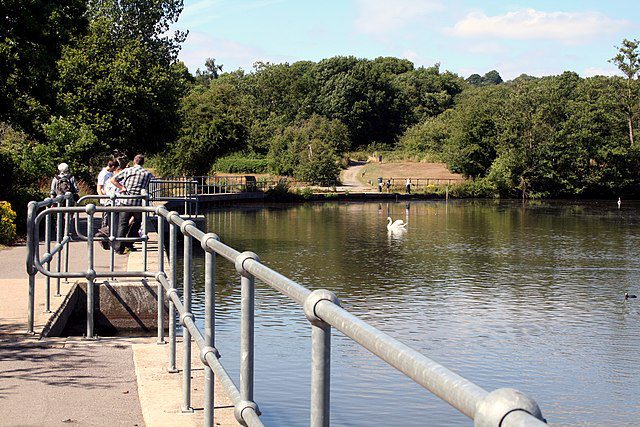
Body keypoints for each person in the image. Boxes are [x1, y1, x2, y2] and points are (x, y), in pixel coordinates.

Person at [110, 154, 153, 254]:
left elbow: (113, 180)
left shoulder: (128, 170)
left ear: (134, 161)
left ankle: (119, 248)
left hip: (125, 201)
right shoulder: (147, 174)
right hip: (138, 203)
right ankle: (129, 243)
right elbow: (150, 184)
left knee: (122, 224)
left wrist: (122, 188)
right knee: (137, 222)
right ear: (143, 162)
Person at [97, 158, 116, 228]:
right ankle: (104, 232)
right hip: (105, 199)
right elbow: (99, 188)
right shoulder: (103, 174)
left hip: (110, 199)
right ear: (113, 167)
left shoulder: (110, 173)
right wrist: (104, 199)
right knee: (105, 218)